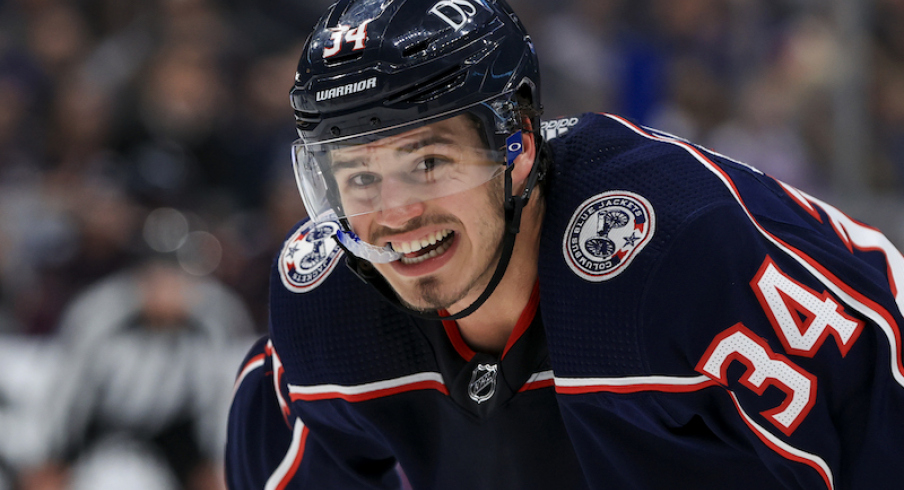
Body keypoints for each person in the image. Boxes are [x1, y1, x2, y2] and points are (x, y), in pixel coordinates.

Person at [225, 0, 904, 488]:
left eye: (428, 163)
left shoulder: (679, 249)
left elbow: (874, 400)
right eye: (360, 177)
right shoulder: (327, 307)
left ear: (516, 143)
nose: (394, 213)